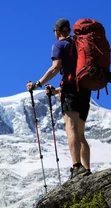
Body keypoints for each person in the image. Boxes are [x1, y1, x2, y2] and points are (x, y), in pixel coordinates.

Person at [26, 18, 92, 180]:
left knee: (71, 129)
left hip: (70, 91)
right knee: (81, 133)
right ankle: (87, 170)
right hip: (85, 90)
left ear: (57, 31)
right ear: (68, 30)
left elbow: (56, 68)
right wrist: (56, 91)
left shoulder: (59, 45)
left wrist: (37, 84)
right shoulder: (79, 46)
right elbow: (76, 76)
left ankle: (77, 167)